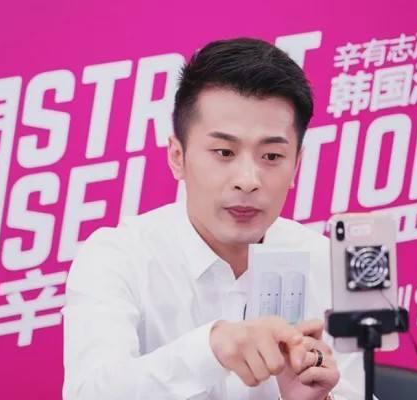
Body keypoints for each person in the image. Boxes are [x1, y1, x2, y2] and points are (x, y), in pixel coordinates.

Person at [62, 37, 368, 400]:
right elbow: (90, 392)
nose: (248, 180)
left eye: (271, 156)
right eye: (224, 152)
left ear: (296, 164)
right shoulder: (118, 257)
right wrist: (211, 348)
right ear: (177, 157)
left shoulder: (325, 263)